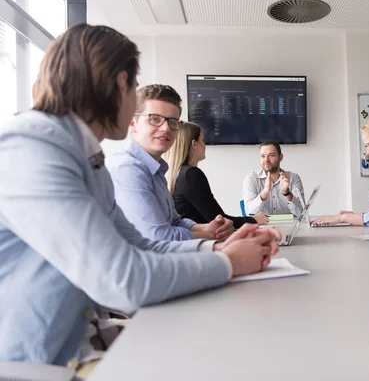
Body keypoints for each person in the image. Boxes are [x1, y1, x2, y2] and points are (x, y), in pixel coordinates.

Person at [0, 24, 280, 368]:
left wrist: (218, 248)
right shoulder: (34, 151)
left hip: (74, 343)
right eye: (134, 89)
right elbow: (122, 280)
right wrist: (230, 262)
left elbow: (140, 245)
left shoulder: (85, 157)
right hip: (32, 364)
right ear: (121, 84)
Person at [106, 84, 234, 242]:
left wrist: (207, 227)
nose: (166, 128)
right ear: (133, 124)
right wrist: (210, 235)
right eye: (155, 119)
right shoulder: (128, 169)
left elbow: (175, 221)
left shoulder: (156, 170)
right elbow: (158, 237)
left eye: (173, 121)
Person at [163, 122, 269, 229]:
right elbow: (219, 220)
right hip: (199, 242)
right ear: (194, 144)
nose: (205, 145)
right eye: (202, 140)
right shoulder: (190, 175)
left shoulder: (178, 174)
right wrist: (254, 220)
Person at [243, 141, 306, 218]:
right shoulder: (251, 179)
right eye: (263, 156)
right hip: (262, 228)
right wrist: (265, 192)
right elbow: (249, 214)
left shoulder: (294, 178)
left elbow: (301, 214)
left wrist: (287, 193)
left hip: (289, 227)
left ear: (281, 157)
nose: (266, 160)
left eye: (271, 155)